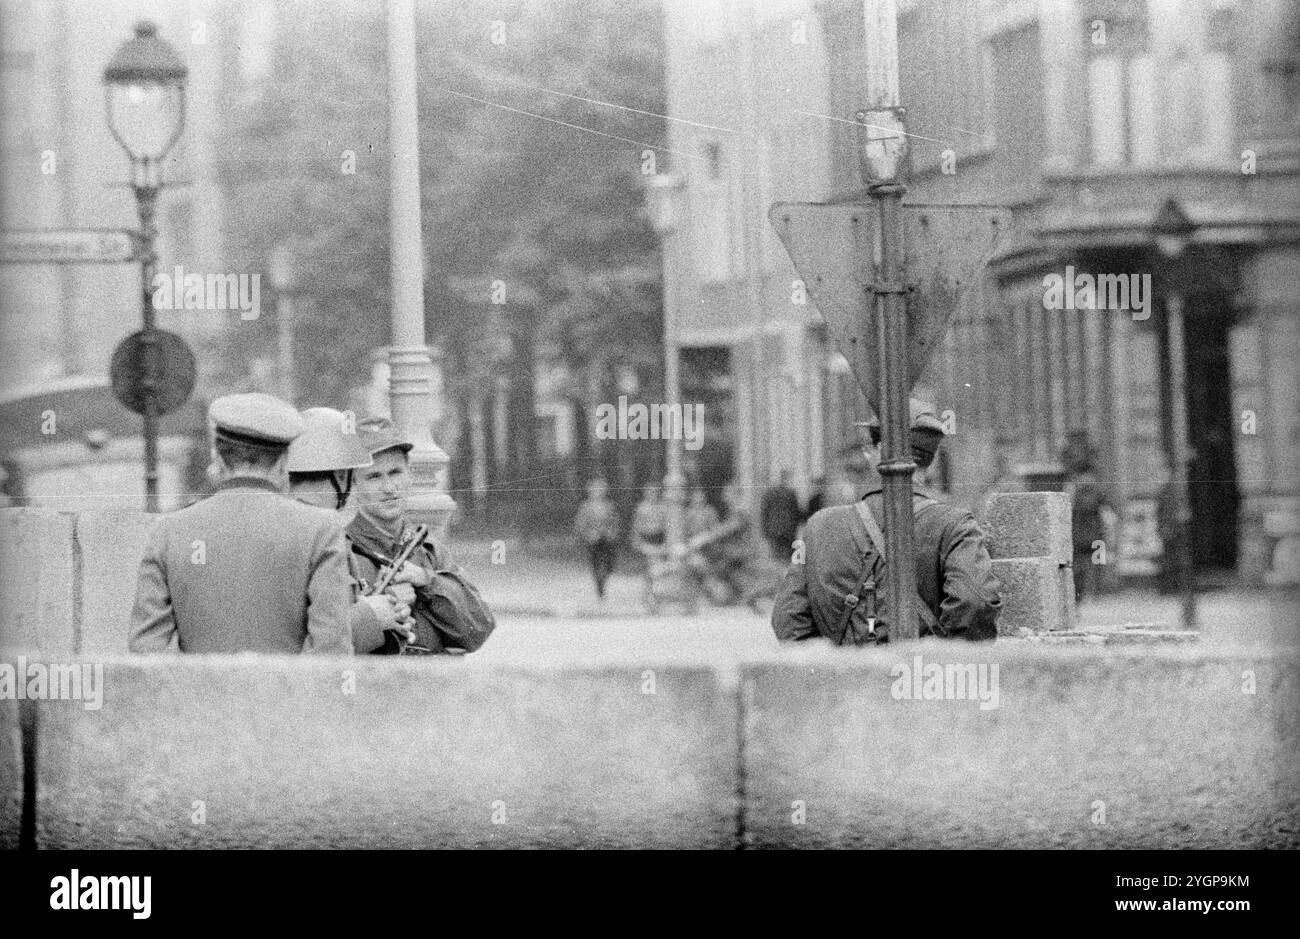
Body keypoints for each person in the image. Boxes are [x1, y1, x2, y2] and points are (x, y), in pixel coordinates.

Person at [128, 393, 353, 654]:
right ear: (283, 462)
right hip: (286, 682)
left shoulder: (168, 531)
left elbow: (145, 653)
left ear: (218, 457)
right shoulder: (321, 529)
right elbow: (332, 650)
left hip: (200, 682)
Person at [771, 399, 1002, 644]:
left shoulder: (819, 526)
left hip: (843, 667)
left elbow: (788, 617)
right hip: (919, 668)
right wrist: (937, 659)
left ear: (876, 454)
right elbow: (976, 602)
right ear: (931, 460)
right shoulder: (956, 525)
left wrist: (835, 661)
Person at [348, 417, 494, 655]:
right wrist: (377, 609)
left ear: (409, 475)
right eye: (374, 477)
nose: (389, 488)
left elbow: (478, 630)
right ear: (353, 484)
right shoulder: (342, 552)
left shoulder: (428, 551)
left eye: (395, 472)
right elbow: (328, 644)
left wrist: (427, 582)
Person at [286, 407, 414, 653]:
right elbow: (323, 646)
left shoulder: (289, 526)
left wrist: (384, 620)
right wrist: (372, 614)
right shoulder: (324, 535)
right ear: (343, 475)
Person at [1062, 430, 1117, 603]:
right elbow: (1108, 509)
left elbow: (1107, 509)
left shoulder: (1082, 486)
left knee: (1091, 564)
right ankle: (1092, 594)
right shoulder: (1084, 486)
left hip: (1086, 534)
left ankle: (1091, 593)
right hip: (1087, 534)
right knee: (1089, 565)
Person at [573, 477, 621, 601]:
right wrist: (589, 534)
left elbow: (616, 522)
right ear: (590, 491)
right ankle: (600, 587)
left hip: (607, 538)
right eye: (596, 489)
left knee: (610, 564)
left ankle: (603, 578)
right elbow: (580, 524)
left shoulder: (610, 505)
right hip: (593, 539)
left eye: (601, 489)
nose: (599, 492)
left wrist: (612, 533)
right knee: (595, 564)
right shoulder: (585, 506)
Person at [760, 470, 803, 560]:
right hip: (788, 529)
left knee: (776, 556)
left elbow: (764, 513)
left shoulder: (769, 494)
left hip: (774, 528)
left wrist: (764, 529)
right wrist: (797, 526)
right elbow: (796, 512)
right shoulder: (791, 493)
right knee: (787, 557)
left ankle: (778, 564)